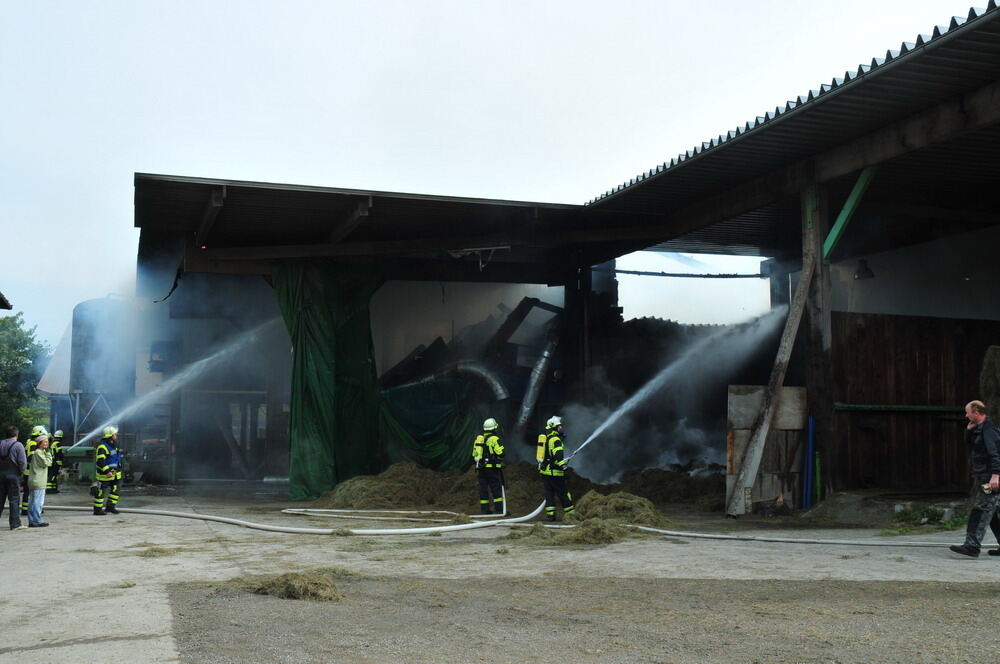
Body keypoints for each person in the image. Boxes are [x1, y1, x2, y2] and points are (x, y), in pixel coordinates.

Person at [950, 401, 1000, 557]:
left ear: (976, 412)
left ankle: (972, 546)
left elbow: (996, 454)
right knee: (993, 514)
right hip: (984, 476)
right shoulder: (979, 430)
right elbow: (971, 446)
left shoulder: (989, 431)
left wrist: (996, 475)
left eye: (968, 412)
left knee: (980, 510)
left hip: (989, 479)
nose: (966, 415)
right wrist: (968, 431)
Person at [538, 416, 575, 522]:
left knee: (549, 494)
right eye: (559, 426)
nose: (561, 428)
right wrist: (564, 466)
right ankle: (571, 515)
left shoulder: (547, 438)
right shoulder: (555, 440)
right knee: (563, 493)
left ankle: (551, 515)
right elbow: (558, 457)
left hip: (545, 472)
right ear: (554, 428)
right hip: (554, 473)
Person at [471, 417, 505, 515]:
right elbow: (501, 453)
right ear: (494, 429)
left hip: (481, 468)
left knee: (483, 489)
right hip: (492, 469)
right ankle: (499, 510)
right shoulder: (494, 439)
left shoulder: (479, 439)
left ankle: (485, 510)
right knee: (496, 488)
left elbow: (475, 454)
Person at [0, 426, 28, 530]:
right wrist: (20, 473)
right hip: (13, 476)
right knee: (14, 500)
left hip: (1, 476)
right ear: (17, 434)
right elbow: (23, 462)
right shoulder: (18, 445)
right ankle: (15, 524)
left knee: (0, 499)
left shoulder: (0, 443)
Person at [93, 425, 122, 515]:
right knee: (101, 492)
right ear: (110, 435)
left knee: (116, 490)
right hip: (105, 474)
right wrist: (107, 471)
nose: (116, 435)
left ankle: (110, 507)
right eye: (115, 434)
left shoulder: (113, 445)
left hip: (115, 473)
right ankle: (97, 510)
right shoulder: (102, 446)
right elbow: (100, 461)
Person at [26, 432, 52, 528]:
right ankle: (37, 520)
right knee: (37, 502)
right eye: (44, 442)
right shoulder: (38, 453)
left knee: (33, 501)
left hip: (35, 480)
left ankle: (32, 521)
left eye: (47, 442)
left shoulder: (38, 452)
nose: (47, 443)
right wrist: (49, 453)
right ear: (39, 443)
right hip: (38, 481)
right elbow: (48, 463)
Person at [20, 425, 46, 515]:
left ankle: (26, 508)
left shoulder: (31, 442)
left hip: (28, 471)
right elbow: (31, 456)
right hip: (30, 472)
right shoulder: (33, 443)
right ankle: (28, 509)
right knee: (31, 492)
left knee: (28, 491)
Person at [46, 429, 65, 494]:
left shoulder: (53, 443)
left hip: (52, 462)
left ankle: (53, 488)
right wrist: (63, 454)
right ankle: (50, 489)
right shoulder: (58, 444)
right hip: (56, 462)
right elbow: (59, 453)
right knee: (53, 475)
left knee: (52, 475)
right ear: (60, 437)